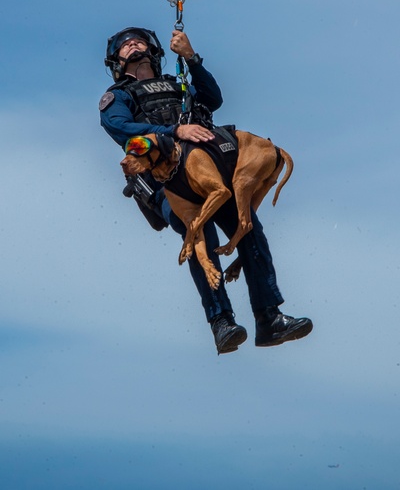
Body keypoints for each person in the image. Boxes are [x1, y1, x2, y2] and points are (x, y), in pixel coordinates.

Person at [99, 26, 312, 353]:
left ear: (154, 53)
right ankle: (221, 321)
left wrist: (192, 58)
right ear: (116, 60)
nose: (133, 45)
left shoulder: (177, 85)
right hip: (165, 184)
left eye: (139, 41)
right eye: (125, 45)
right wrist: (174, 129)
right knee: (199, 234)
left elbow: (213, 99)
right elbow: (121, 127)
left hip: (206, 172)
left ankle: (269, 318)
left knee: (249, 229)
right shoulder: (119, 96)